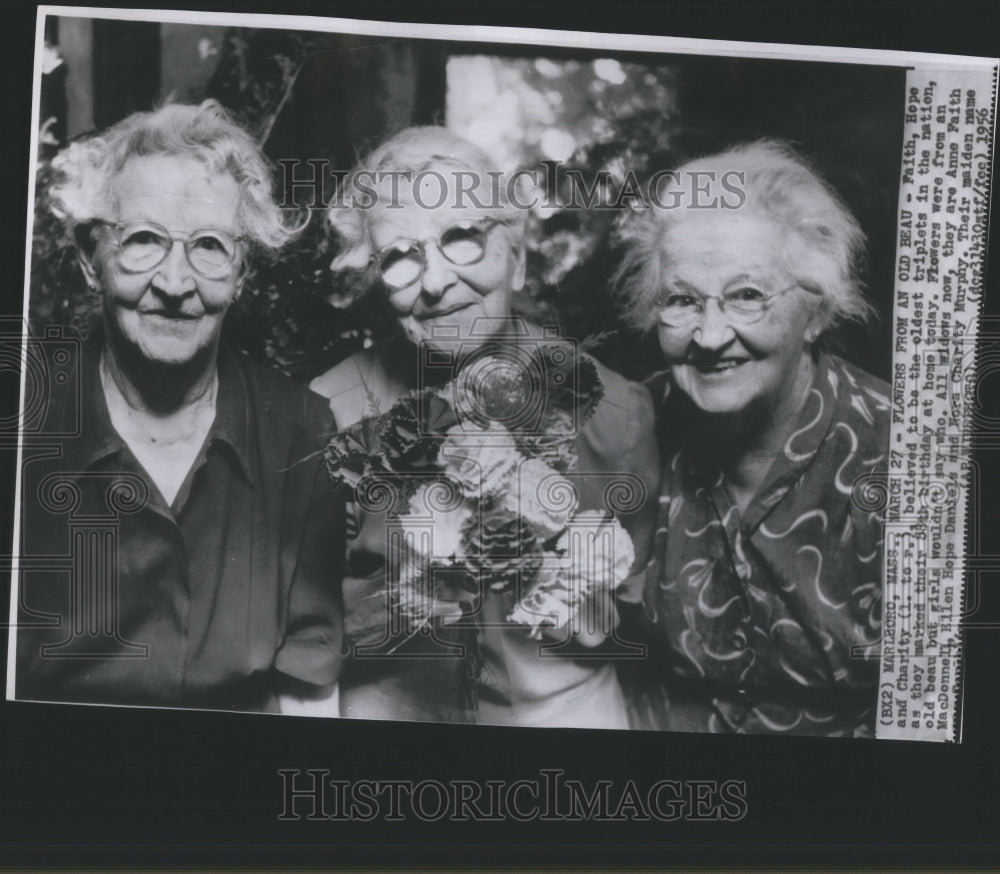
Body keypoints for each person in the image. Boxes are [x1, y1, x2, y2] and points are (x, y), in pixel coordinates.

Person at [311, 126, 660, 728]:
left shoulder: (614, 409)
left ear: (517, 260)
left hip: (566, 714)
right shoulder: (328, 410)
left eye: (462, 239)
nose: (437, 281)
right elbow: (303, 624)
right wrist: (401, 599)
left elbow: (632, 605)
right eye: (400, 258)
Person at [15, 101, 344, 713]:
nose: (174, 282)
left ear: (242, 272)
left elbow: (308, 683)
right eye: (143, 240)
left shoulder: (304, 433)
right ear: (92, 258)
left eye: (211, 246)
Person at [615, 140, 889, 737]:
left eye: (746, 296)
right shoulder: (627, 427)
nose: (710, 337)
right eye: (682, 300)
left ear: (815, 314)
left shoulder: (901, 452)